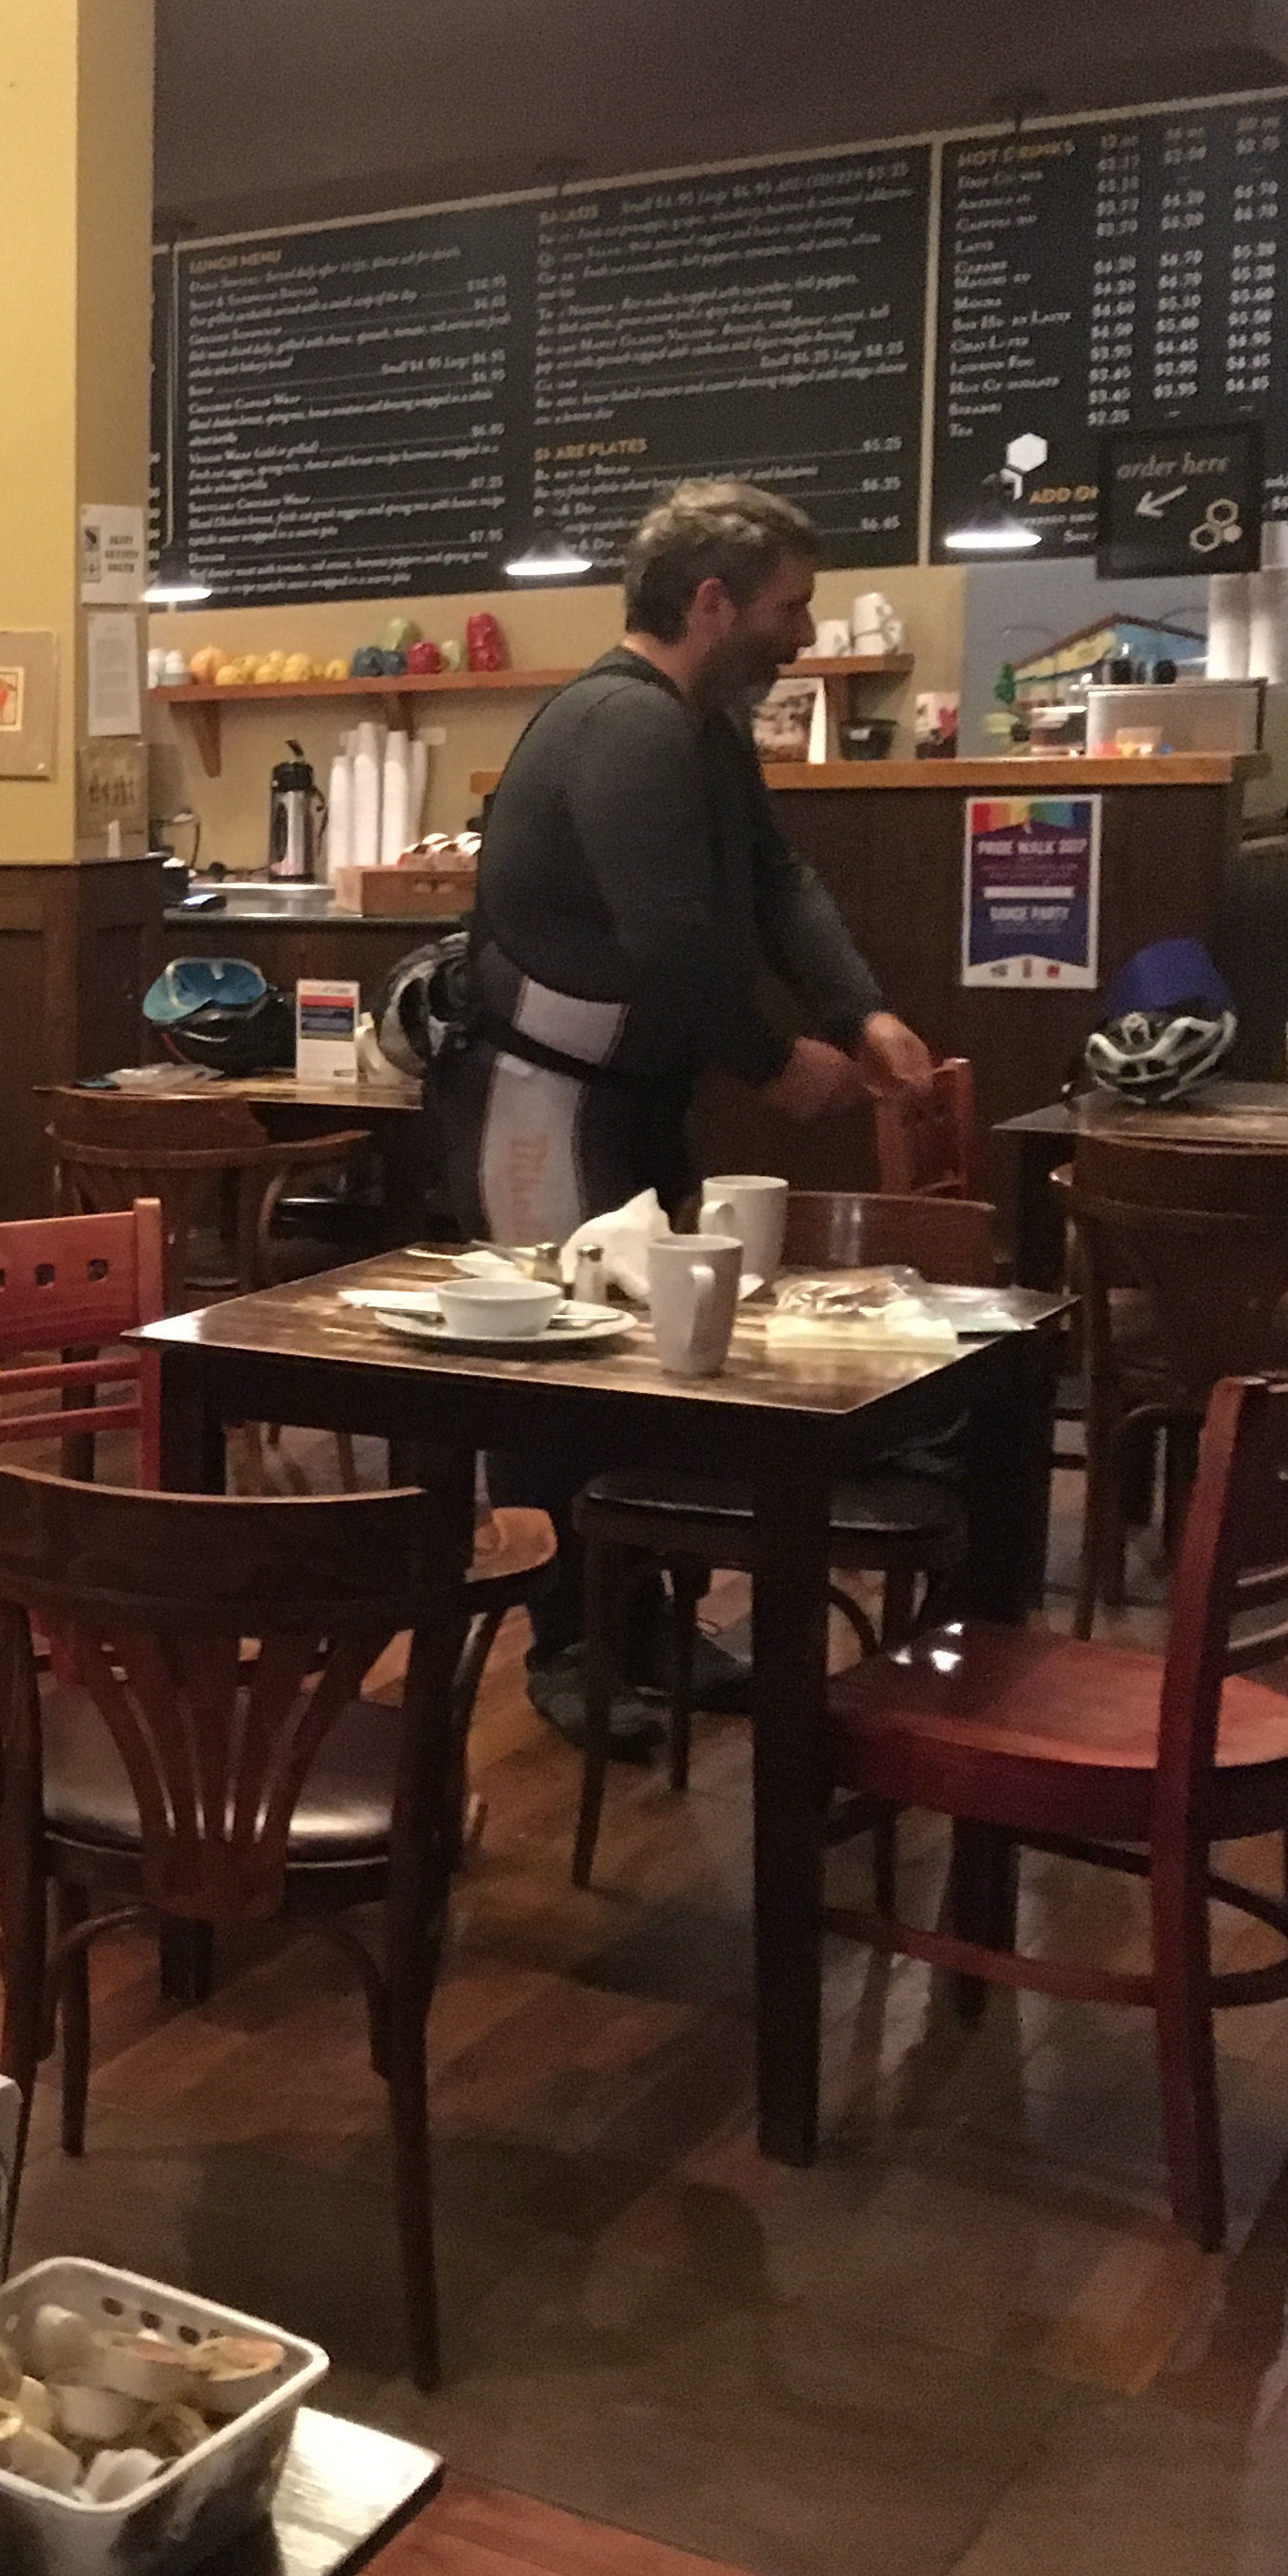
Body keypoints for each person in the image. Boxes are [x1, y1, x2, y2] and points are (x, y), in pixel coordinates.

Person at [434, 478, 939, 1749]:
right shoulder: (625, 727)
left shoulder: (697, 726)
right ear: (712, 602)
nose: (803, 636)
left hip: (629, 1094)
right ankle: (567, 1646)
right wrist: (774, 1063)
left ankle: (649, 1628)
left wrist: (861, 1009)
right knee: (552, 1370)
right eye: (789, 609)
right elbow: (672, 945)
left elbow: (774, 878)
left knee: (651, 1365)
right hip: (540, 1101)